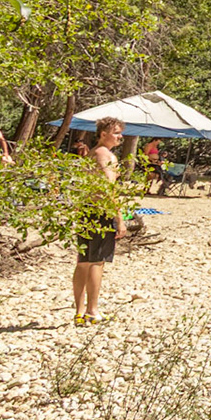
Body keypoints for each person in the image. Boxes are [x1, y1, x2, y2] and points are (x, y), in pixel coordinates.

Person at [72, 117, 125, 327]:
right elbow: (108, 189)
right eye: (116, 132)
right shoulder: (105, 155)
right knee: (97, 261)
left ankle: (79, 312)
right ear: (103, 134)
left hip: (86, 211)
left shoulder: (92, 154)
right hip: (100, 213)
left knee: (83, 261)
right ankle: (92, 311)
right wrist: (119, 218)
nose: (120, 136)